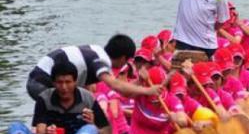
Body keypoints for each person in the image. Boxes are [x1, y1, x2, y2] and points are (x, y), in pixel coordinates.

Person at [8, 61, 109, 134]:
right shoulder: (44, 99)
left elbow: (103, 133)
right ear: (53, 83)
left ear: (75, 82)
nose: (64, 87)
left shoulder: (88, 98)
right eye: (59, 82)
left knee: (90, 128)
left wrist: (92, 123)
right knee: (15, 126)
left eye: (68, 82)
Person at [26, 35, 160, 101]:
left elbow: (123, 93)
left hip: (38, 78)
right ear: (123, 58)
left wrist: (139, 83)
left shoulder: (97, 49)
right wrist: (148, 91)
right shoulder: (101, 61)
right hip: (41, 83)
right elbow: (117, 86)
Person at [106, 67, 189, 134]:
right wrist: (139, 80)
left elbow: (183, 121)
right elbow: (125, 92)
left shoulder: (172, 99)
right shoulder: (141, 94)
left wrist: (174, 117)